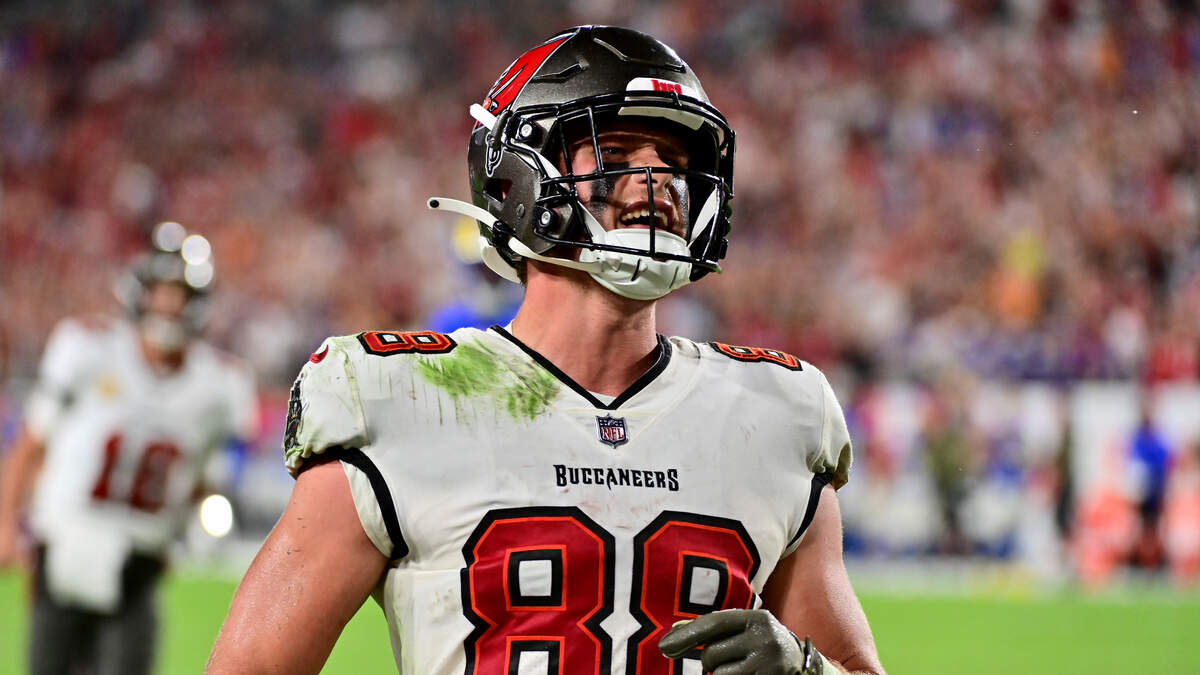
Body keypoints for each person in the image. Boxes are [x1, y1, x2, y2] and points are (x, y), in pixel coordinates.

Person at [208, 26, 884, 675]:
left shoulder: (774, 413)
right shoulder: (402, 398)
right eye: (616, 150)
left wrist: (809, 671)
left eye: (676, 161)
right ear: (518, 179)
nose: (657, 178)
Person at [0, 222, 257, 675]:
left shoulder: (220, 386)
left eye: (180, 294)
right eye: (161, 291)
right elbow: (31, 444)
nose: (169, 304)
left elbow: (209, 479)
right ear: (140, 291)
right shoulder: (88, 347)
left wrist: (196, 519)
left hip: (139, 556)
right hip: (64, 541)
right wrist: (6, 524)